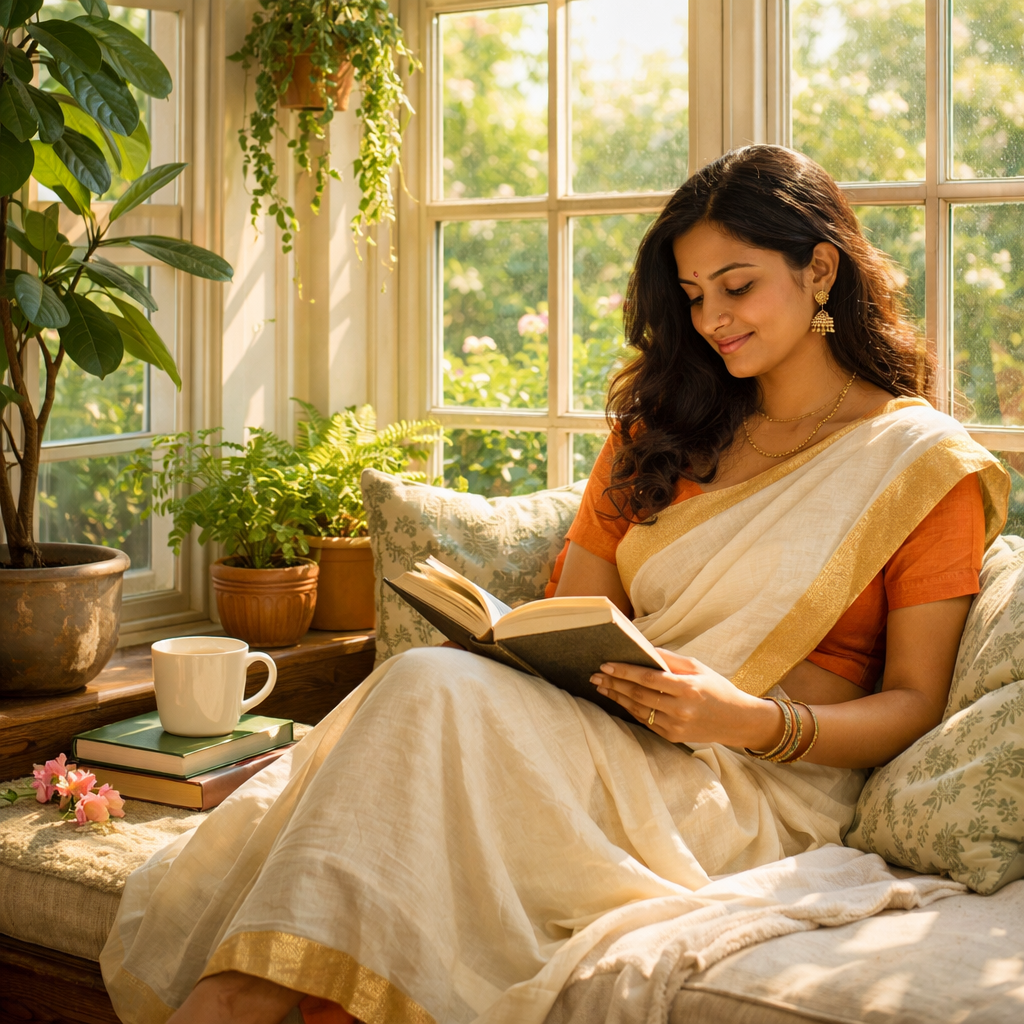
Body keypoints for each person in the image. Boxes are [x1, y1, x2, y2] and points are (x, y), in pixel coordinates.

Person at [100, 146, 1008, 1024]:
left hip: (760, 785)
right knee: (435, 685)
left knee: (424, 692)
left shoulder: (921, 465)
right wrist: (524, 643)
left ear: (820, 270)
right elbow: (575, 613)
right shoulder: (660, 426)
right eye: (692, 297)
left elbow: (915, 703)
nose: (712, 320)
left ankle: (236, 1002)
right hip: (610, 735)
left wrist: (747, 720)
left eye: (737, 287)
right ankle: (258, 996)